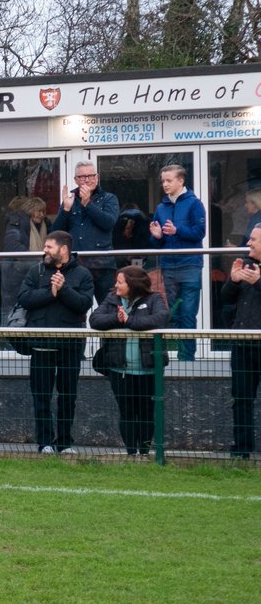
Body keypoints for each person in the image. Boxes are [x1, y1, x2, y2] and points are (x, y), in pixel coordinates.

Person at [17, 231, 94, 454]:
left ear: (63, 249)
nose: (45, 251)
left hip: (70, 345)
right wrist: (50, 293)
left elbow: (83, 304)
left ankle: (65, 442)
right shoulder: (37, 271)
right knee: (41, 396)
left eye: (49, 247)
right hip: (41, 344)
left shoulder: (82, 274)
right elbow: (24, 299)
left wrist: (64, 289)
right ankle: (45, 442)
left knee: (68, 396)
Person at [90, 265, 169, 457]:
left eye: (120, 281)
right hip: (120, 370)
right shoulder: (112, 300)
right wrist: (118, 320)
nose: (115, 285)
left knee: (146, 413)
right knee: (126, 412)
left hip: (148, 370)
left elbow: (161, 318)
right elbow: (95, 320)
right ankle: (131, 453)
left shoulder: (154, 299)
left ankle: (144, 451)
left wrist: (129, 322)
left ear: (132, 284)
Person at [149, 164, 207, 361]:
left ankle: (187, 358)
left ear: (180, 181)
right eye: (163, 181)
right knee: (174, 313)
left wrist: (177, 231)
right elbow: (157, 243)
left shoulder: (194, 204)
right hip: (169, 266)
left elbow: (200, 233)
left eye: (169, 180)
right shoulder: (161, 207)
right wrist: (156, 236)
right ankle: (178, 355)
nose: (164, 184)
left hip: (190, 265)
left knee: (188, 314)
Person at [52, 161, 120, 302]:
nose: (87, 180)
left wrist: (87, 203)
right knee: (75, 308)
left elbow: (108, 223)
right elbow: (56, 233)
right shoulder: (69, 200)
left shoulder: (109, 198)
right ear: (76, 180)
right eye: (82, 177)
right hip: (76, 265)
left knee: (108, 309)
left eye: (91, 175)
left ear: (97, 177)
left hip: (103, 266)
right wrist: (65, 210)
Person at [222, 225, 261, 459]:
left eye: (253, 240)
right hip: (243, 344)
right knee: (242, 398)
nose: (248, 244)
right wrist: (234, 281)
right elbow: (225, 299)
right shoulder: (246, 264)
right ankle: (242, 450)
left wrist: (258, 282)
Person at [113, 203, 154, 268]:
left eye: (134, 221)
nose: (130, 223)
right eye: (126, 221)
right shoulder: (117, 230)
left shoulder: (143, 228)